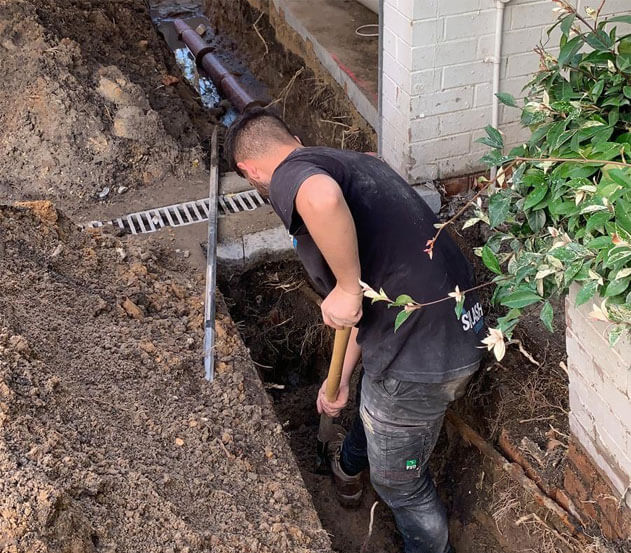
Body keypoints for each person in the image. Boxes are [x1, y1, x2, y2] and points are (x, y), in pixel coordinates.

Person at [224, 108, 485, 553]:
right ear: (296, 136)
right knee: (375, 398)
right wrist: (340, 377)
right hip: (454, 325)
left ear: (249, 170)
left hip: (422, 355)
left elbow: (321, 198)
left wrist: (345, 286)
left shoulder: (294, 176)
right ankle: (347, 467)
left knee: (400, 484)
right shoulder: (356, 163)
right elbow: (368, 317)